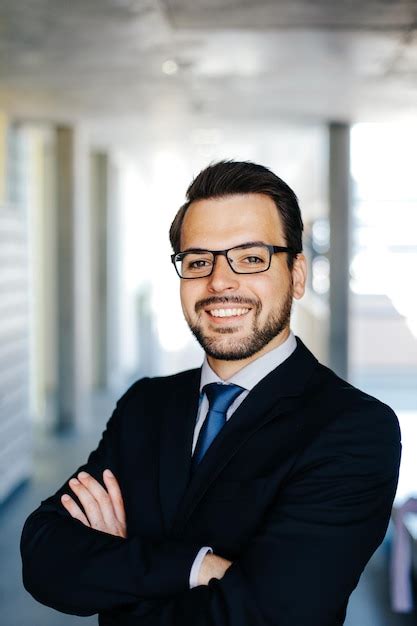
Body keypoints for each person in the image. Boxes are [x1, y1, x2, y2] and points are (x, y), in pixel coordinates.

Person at [21, 160, 401, 626]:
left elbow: (274, 617)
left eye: (250, 257)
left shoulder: (354, 428)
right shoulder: (145, 405)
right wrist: (196, 567)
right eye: (199, 260)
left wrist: (121, 574)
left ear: (297, 275)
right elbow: (44, 556)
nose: (220, 281)